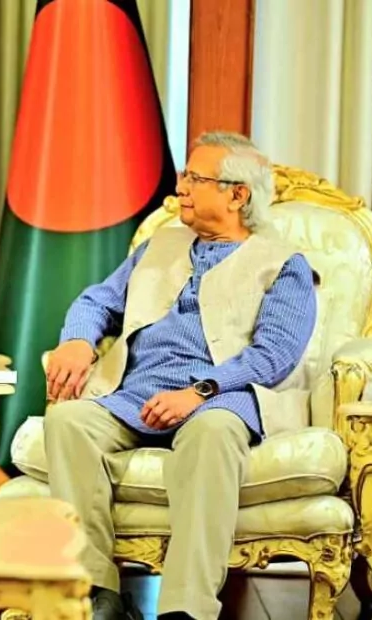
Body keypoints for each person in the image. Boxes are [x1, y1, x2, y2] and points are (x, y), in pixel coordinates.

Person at [43, 131, 318, 620]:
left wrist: (199, 391)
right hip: (135, 393)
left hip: (221, 398)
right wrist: (78, 340)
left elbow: (274, 355)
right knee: (68, 422)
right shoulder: (160, 245)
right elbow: (97, 301)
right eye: (184, 175)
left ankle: (185, 610)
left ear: (237, 195)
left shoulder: (283, 265)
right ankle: (97, 593)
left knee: (213, 432)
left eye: (195, 178)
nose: (180, 188)